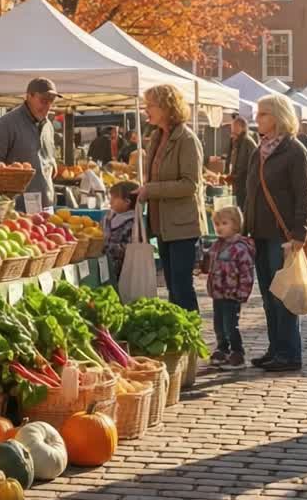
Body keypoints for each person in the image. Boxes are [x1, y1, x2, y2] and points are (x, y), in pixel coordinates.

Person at [243, 94, 307, 372]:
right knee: (269, 295)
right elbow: (249, 192)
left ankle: (290, 353)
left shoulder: (294, 150)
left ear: (278, 117)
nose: (257, 119)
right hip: (259, 233)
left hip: (282, 235)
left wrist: (299, 234)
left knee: (284, 296)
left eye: (262, 114)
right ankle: (275, 348)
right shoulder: (258, 149)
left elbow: (305, 196)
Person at [137, 84, 206, 313]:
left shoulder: (186, 139)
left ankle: (192, 339)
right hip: (163, 225)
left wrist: (151, 190)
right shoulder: (157, 137)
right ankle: (181, 338)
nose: (146, 109)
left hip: (182, 226)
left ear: (167, 107)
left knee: (182, 288)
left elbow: (190, 185)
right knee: (172, 288)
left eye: (151, 105)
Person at [0, 77, 59, 210]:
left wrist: (52, 164)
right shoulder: (6, 124)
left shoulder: (48, 125)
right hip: (18, 209)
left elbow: (48, 157)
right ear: (29, 96)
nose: (47, 106)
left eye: (51, 102)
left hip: (47, 206)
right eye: (43, 101)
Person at [206, 205, 254, 370]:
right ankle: (222, 348)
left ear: (235, 225)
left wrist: (242, 293)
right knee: (218, 324)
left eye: (224, 223)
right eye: (217, 224)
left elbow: (246, 273)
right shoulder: (216, 246)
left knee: (230, 325)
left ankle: (237, 352)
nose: (219, 228)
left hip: (232, 294)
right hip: (218, 294)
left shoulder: (240, 248)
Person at [102, 180, 139, 279]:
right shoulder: (110, 217)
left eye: (114, 198)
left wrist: (108, 247)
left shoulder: (132, 223)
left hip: (122, 270)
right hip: (106, 264)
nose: (110, 202)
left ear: (127, 202)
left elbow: (128, 248)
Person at [226, 117, 256, 204]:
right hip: (237, 186)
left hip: (245, 187)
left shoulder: (249, 143)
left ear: (242, 128)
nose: (232, 131)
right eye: (232, 127)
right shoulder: (235, 142)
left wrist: (235, 177)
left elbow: (253, 167)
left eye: (235, 127)